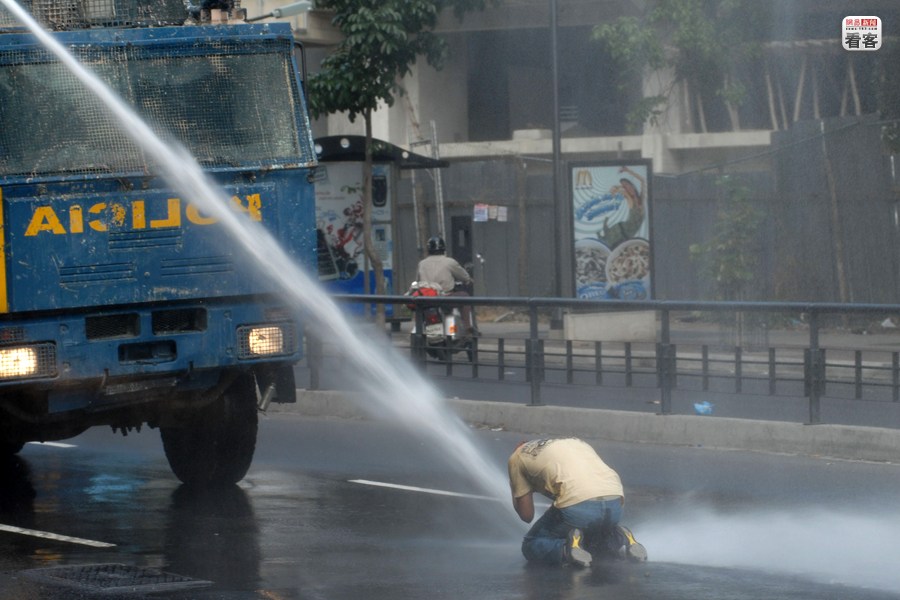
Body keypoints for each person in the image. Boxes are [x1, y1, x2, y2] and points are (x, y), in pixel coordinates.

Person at [507, 437, 647, 568]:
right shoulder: (575, 443)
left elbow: (527, 516)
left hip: (580, 506)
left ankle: (566, 550)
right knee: (591, 536)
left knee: (531, 543)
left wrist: (515, 487)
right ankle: (619, 536)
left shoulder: (516, 458)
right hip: (614, 502)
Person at [415, 236, 476, 334]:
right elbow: (464, 276)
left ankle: (419, 330)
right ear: (443, 248)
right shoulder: (449, 262)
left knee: (419, 310)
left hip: (426, 300)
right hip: (446, 298)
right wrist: (468, 280)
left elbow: (418, 281)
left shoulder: (422, 264)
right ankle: (467, 327)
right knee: (465, 297)